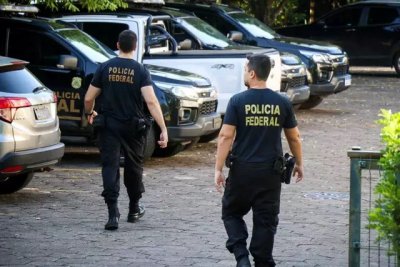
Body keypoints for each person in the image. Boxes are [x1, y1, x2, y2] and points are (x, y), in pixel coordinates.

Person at [214, 54, 304, 267]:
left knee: (231, 212)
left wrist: (218, 169)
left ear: (252, 73)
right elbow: (294, 137)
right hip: (270, 173)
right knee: (266, 219)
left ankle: (242, 257)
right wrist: (299, 163)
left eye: (246, 70)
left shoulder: (238, 101)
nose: (245, 73)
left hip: (242, 170)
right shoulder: (282, 101)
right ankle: (262, 260)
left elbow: (225, 136)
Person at [84, 30, 168, 231]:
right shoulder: (140, 70)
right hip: (133, 127)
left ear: (117, 45)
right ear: (136, 46)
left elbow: (89, 98)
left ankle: (113, 214)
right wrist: (163, 128)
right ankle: (134, 209)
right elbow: (150, 101)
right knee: (134, 167)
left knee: (110, 166)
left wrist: (90, 112)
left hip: (108, 126)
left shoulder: (104, 67)